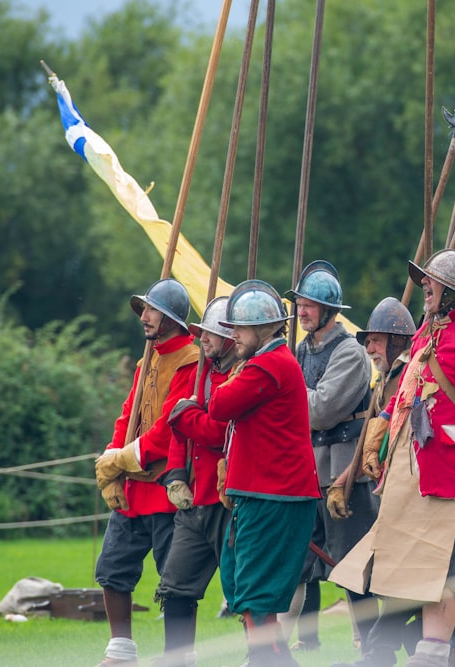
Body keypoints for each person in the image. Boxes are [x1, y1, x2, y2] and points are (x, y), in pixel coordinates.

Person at [329, 249, 455, 667]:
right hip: (417, 480)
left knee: (443, 580)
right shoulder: (428, 332)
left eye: (432, 281)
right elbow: (404, 394)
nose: (424, 285)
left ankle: (433, 657)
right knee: (446, 581)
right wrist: (377, 436)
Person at [209, 279, 321, 667]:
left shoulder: (269, 365)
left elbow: (220, 404)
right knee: (245, 590)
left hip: (274, 496)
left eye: (239, 328)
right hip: (264, 495)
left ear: (261, 329)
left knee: (256, 596)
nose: (233, 336)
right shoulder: (262, 363)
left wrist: (218, 375)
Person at [93, 278, 199, 667]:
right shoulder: (146, 359)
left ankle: (179, 656)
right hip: (132, 490)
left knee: (176, 580)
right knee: (112, 570)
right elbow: (129, 414)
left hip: (167, 486)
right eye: (145, 309)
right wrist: (112, 464)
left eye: (152, 310)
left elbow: (170, 426)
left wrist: (124, 458)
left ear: (170, 317)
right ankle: (121, 652)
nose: (145, 316)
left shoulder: (191, 361)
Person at [281, 259, 378, 654]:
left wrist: (282, 389)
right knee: (298, 566)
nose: (301, 311)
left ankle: (372, 651)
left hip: (344, 472)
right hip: (307, 469)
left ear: (328, 310)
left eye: (308, 305)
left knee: (354, 571)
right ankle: (278, 651)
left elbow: (321, 411)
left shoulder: (351, 352)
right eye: (299, 304)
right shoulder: (300, 349)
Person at [330, 296, 418, 667]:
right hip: (390, 496)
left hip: (414, 496)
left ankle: (381, 653)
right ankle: (378, 653)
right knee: (363, 574)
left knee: (412, 583)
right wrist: (343, 480)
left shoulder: (413, 376)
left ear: (398, 342)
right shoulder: (385, 380)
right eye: (367, 341)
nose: (368, 347)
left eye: (376, 340)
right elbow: (371, 442)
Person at [153, 296, 239, 667]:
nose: (203, 340)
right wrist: (175, 476)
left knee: (244, 591)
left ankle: (263, 657)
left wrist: (184, 416)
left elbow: (218, 433)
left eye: (211, 334)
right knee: (175, 586)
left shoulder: (243, 375)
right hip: (194, 498)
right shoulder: (202, 371)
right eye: (202, 333)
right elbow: (181, 437)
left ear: (231, 340)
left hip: (229, 498)